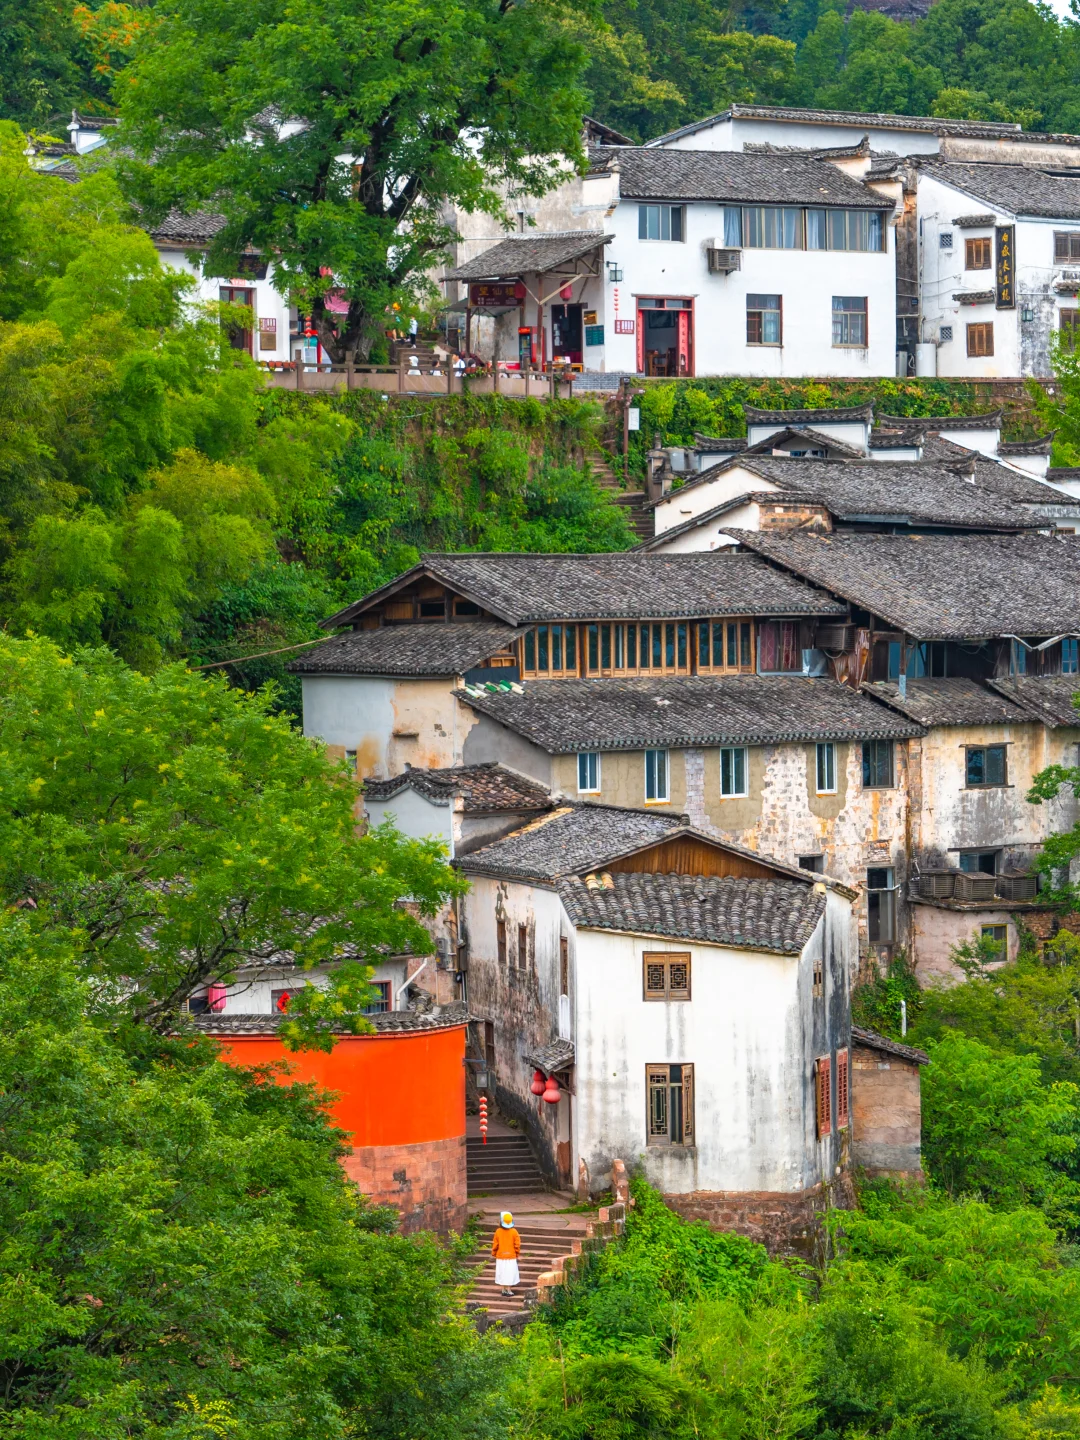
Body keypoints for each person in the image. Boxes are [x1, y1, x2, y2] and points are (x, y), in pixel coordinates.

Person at [491, 1210, 521, 1297]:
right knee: (509, 1272)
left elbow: (495, 1244)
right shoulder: (514, 1232)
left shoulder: (498, 1231)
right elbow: (517, 1245)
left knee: (502, 1272)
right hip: (511, 1256)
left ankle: (503, 1289)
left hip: (500, 1256)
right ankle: (508, 1290)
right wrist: (517, 1253)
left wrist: (494, 1253)